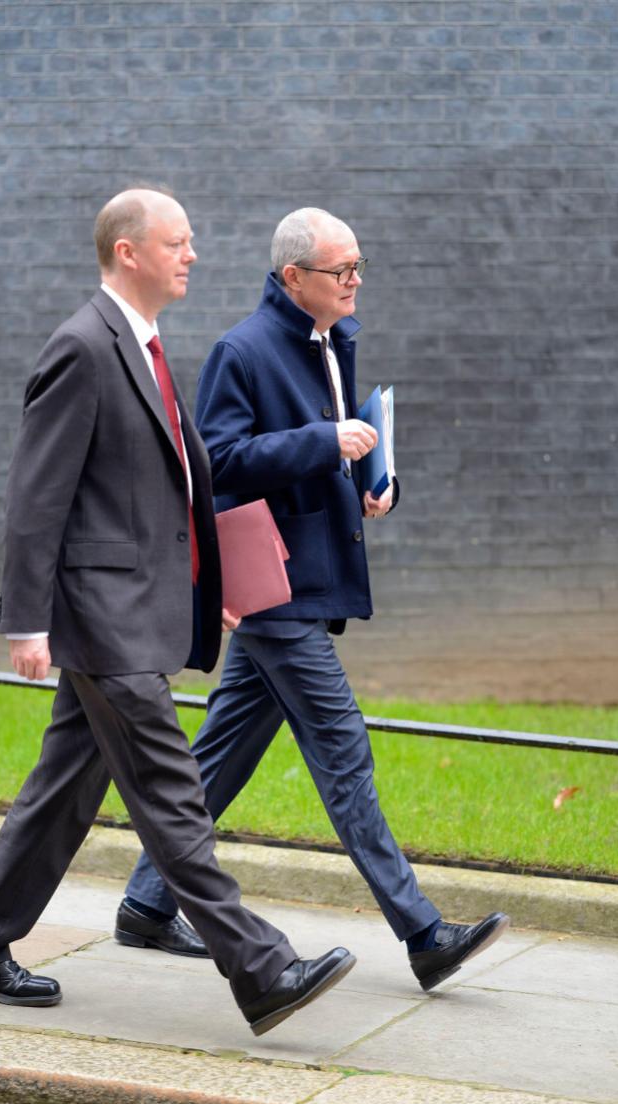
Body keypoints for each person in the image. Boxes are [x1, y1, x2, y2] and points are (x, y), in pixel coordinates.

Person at [0, 188, 356, 1038]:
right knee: (171, 792)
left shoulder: (147, 344)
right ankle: (263, 966)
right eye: (176, 242)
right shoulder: (83, 347)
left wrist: (217, 583)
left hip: (133, 607)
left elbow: (173, 493)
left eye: (191, 241)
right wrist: (26, 622)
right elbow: (35, 497)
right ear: (128, 251)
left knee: (62, 791)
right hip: (103, 617)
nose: (191, 254)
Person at [117, 207, 509, 994]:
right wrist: (327, 441)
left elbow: (338, 441)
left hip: (305, 580)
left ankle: (146, 902)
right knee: (344, 751)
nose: (355, 280)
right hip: (275, 590)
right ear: (293, 276)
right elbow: (219, 462)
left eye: (358, 266)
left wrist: (376, 482)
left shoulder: (333, 340)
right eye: (342, 270)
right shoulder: (242, 349)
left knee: (217, 759)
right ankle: (423, 931)